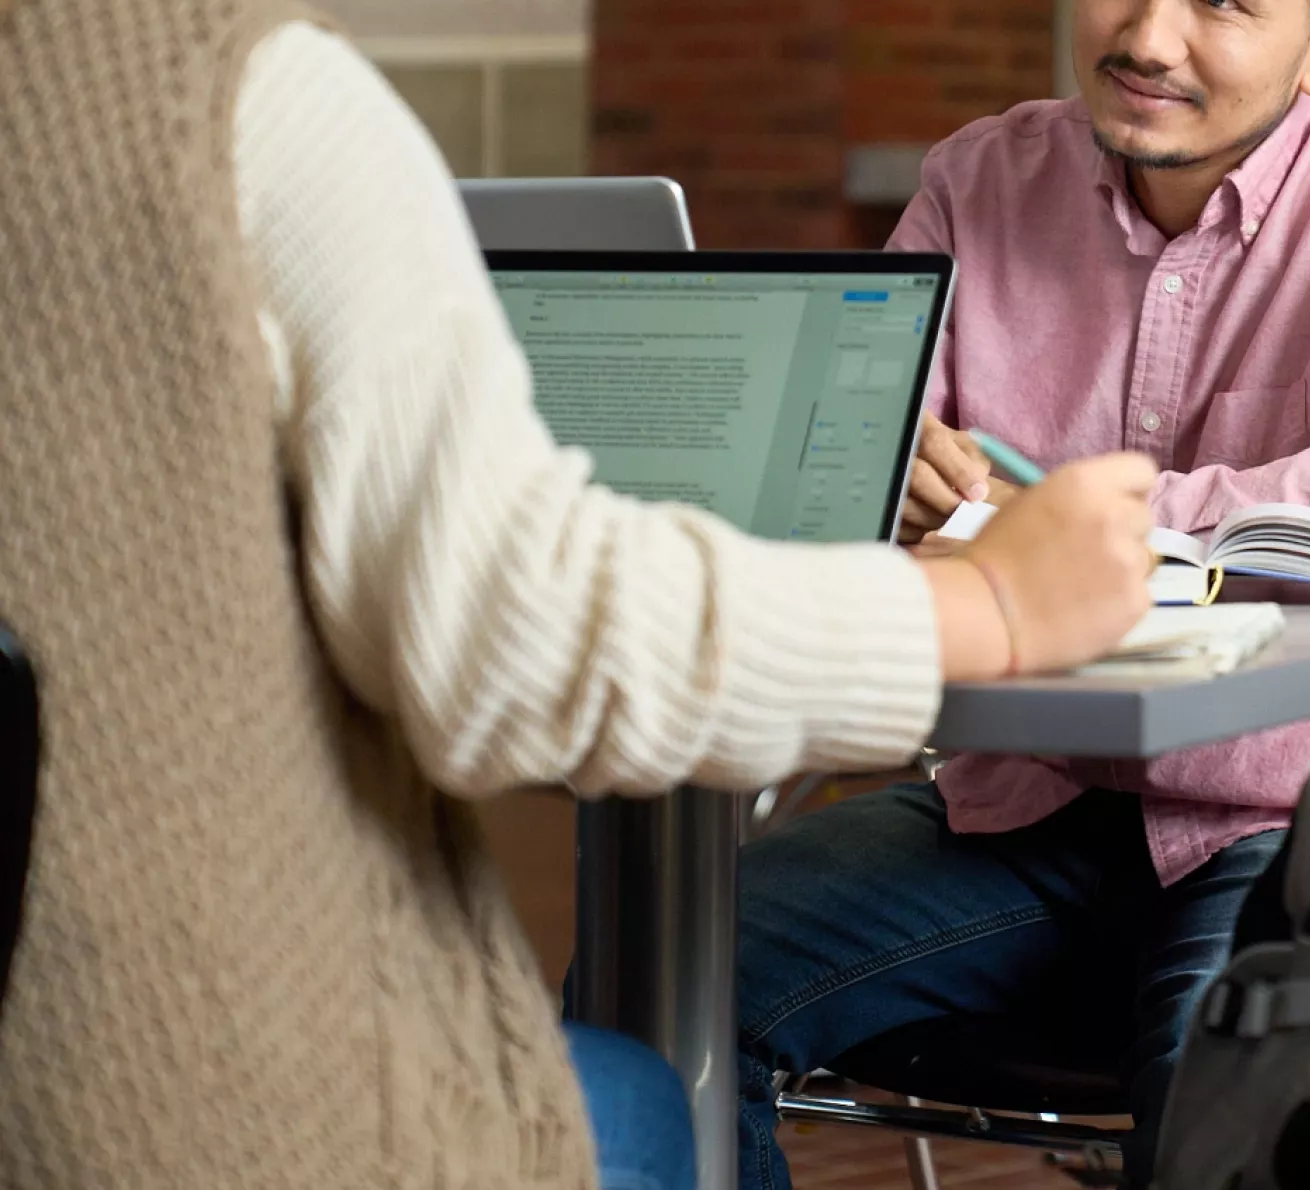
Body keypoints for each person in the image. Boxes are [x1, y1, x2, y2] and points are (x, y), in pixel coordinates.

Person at [0, 1, 1156, 1187]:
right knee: (637, 1095)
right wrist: (988, 610)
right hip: (183, 1096)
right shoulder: (243, 106)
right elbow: (510, 638)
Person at [729, 0, 1310, 1184]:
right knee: (657, 978)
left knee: (1219, 1114)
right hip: (1025, 798)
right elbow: (837, 465)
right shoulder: (974, 179)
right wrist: (874, 474)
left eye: (1224, 4)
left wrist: (1078, 525)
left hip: (1288, 813)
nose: (1148, 38)